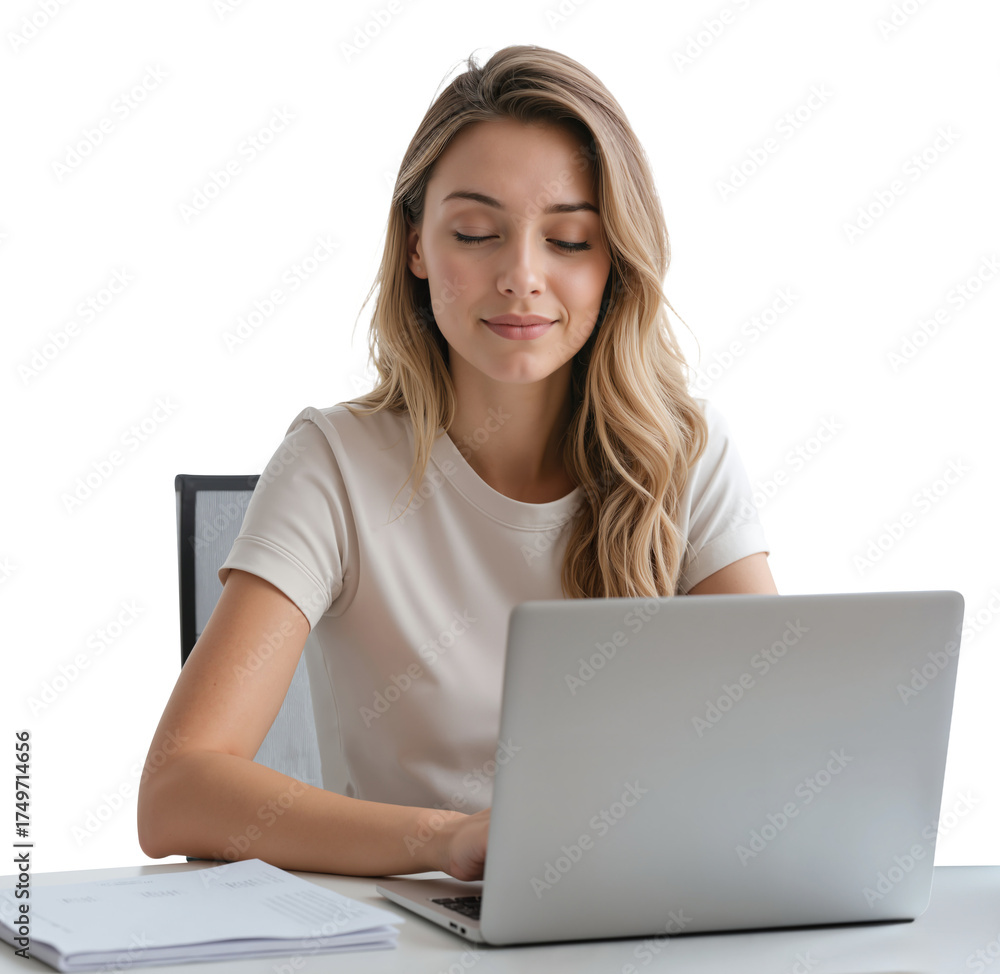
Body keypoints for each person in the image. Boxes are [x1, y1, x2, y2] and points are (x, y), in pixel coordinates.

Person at [137, 44, 777, 882]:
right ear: (416, 247)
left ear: (614, 261)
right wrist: (447, 841)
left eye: (569, 240)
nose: (522, 277)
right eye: (476, 234)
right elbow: (177, 791)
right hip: (419, 926)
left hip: (649, 910)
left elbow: (782, 749)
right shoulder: (334, 466)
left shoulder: (685, 452)